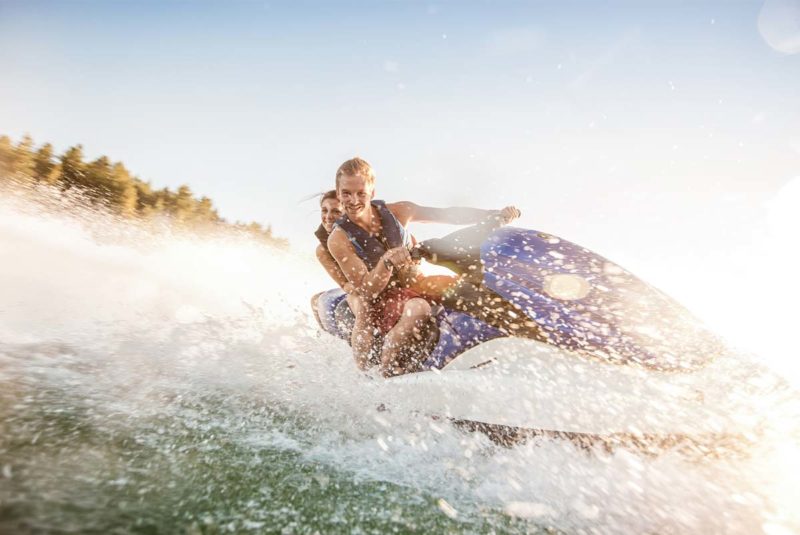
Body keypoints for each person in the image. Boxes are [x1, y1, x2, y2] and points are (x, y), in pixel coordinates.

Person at [327, 157, 520, 376]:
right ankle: (385, 371)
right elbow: (367, 289)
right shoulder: (338, 239)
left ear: (372, 192)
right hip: (382, 296)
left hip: (417, 283)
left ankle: (510, 335)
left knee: (473, 285)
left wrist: (494, 215)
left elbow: (447, 214)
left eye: (361, 193)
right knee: (418, 308)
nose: (353, 201)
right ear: (338, 192)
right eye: (346, 193)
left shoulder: (400, 211)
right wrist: (386, 263)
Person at [312, 190, 375, 365]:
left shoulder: (366, 233)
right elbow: (345, 284)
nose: (328, 217)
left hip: (380, 285)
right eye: (324, 211)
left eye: (336, 212)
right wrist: (358, 288)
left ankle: (371, 361)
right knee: (317, 301)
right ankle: (336, 353)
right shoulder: (323, 250)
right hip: (356, 289)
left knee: (344, 307)